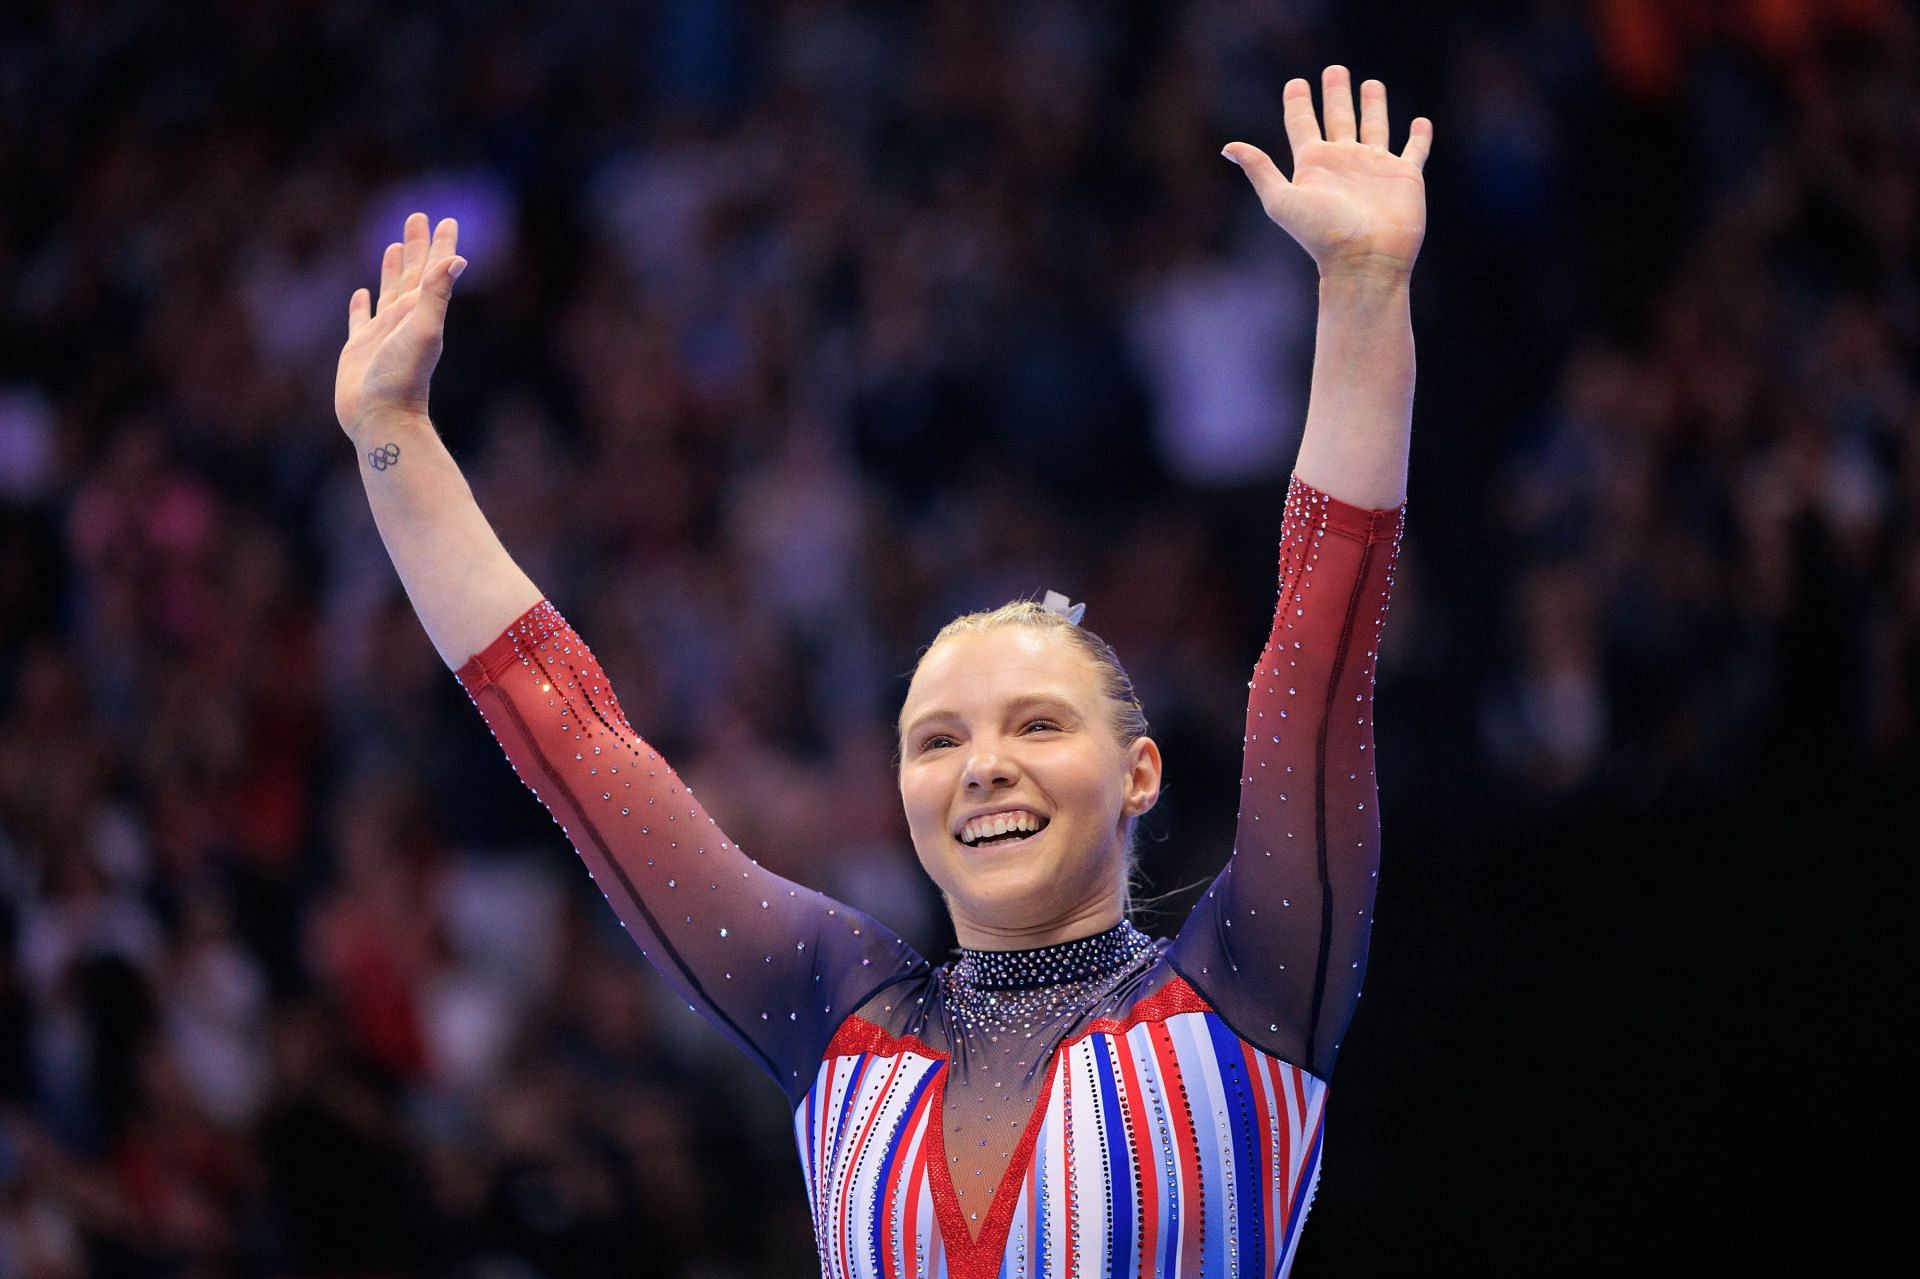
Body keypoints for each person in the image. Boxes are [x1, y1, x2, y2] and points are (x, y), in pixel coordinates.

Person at [335, 64, 1430, 1279]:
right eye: (938, 739)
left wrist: (1366, 291)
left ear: (1139, 773)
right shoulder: (834, 1010)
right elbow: (578, 745)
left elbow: (1314, 671)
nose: (984, 768)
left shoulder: (1253, 985)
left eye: (1036, 724)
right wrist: (394, 436)